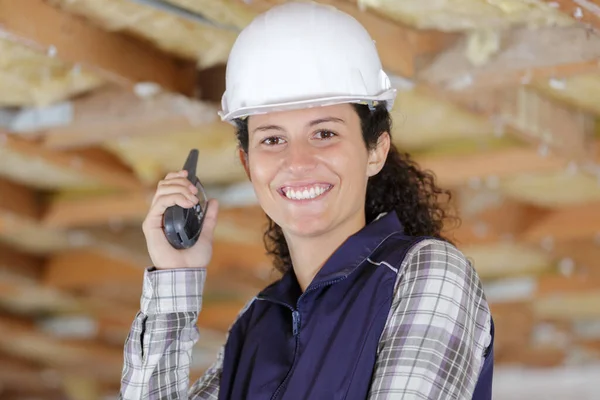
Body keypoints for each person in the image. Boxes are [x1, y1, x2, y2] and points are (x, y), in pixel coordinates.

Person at [119, 2, 494, 399]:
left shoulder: (427, 272)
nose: (297, 162)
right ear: (248, 164)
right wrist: (175, 280)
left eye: (324, 134)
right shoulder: (256, 325)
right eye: (273, 139)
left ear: (375, 151)